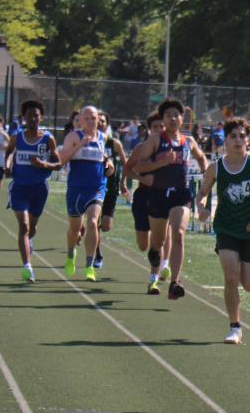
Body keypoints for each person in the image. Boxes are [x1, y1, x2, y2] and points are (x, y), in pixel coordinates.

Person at [197, 118, 250, 343]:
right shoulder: (217, 167)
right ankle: (235, 327)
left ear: (248, 140)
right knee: (231, 278)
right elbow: (202, 192)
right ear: (226, 140)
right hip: (226, 228)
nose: (238, 140)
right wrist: (201, 208)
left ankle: (244, 263)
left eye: (242, 136)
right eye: (233, 136)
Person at [132, 97, 209, 299]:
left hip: (181, 194)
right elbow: (139, 167)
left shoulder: (188, 141)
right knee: (158, 242)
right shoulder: (155, 140)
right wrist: (161, 162)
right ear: (163, 119)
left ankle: (175, 282)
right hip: (158, 195)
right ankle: (153, 273)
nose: (173, 119)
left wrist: (206, 176)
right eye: (168, 115)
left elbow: (202, 158)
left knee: (179, 233)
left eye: (176, 115)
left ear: (182, 118)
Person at [55, 105, 112, 282]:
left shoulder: (103, 137)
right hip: (76, 189)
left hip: (96, 188)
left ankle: (89, 265)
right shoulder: (73, 136)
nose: (91, 121)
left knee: (93, 222)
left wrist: (109, 164)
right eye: (86, 118)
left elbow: (104, 157)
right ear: (80, 120)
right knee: (74, 228)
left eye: (93, 118)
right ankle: (70, 254)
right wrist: (79, 145)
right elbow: (61, 159)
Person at [4, 100, 59, 282]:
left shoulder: (48, 139)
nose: (33, 118)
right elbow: (9, 152)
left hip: (39, 189)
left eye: (36, 115)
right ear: (24, 118)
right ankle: (27, 266)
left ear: (41, 117)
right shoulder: (17, 137)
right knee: (24, 226)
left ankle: (29, 242)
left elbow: (58, 164)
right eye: (29, 115)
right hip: (19, 187)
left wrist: (43, 164)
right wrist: (7, 165)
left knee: (32, 228)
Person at [123, 111, 171, 281]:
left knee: (160, 237)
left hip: (163, 196)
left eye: (161, 126)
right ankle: (156, 252)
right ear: (149, 129)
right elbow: (127, 169)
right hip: (143, 195)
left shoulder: (171, 149)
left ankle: (156, 275)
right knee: (143, 245)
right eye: (155, 126)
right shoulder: (141, 148)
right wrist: (141, 178)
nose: (158, 129)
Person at [94, 112, 128, 269]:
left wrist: (123, 182)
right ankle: (97, 254)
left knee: (106, 226)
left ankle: (91, 230)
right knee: (94, 222)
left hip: (111, 189)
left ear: (107, 124)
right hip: (94, 188)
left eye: (102, 121)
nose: (100, 124)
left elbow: (126, 164)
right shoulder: (89, 142)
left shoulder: (114, 144)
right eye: (97, 121)